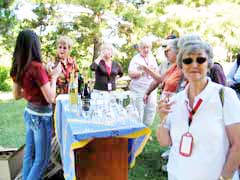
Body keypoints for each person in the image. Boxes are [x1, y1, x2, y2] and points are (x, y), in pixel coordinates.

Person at [156, 38, 240, 180]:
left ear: (208, 64)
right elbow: (165, 142)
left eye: (200, 60)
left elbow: (237, 144)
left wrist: (225, 176)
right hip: (177, 175)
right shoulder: (176, 100)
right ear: (181, 66)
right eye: (187, 61)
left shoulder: (224, 96)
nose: (194, 65)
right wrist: (162, 119)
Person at [10, 29, 61, 180]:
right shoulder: (37, 67)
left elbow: (16, 95)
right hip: (41, 117)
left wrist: (33, 88)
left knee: (29, 156)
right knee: (42, 160)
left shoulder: (19, 67)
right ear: (35, 46)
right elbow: (51, 98)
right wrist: (54, 77)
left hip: (29, 114)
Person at [128, 37, 159, 126]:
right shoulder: (136, 59)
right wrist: (143, 72)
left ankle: (146, 129)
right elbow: (131, 74)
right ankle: (138, 130)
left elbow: (157, 72)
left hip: (151, 88)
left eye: (148, 47)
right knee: (138, 109)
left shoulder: (152, 58)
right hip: (138, 89)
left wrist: (152, 71)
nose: (146, 49)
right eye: (144, 47)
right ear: (140, 48)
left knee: (151, 109)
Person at [142, 38, 183, 103]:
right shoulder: (173, 66)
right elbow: (160, 79)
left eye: (167, 50)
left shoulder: (185, 68)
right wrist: (147, 92)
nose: (165, 53)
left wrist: (146, 69)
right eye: (164, 50)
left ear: (177, 51)